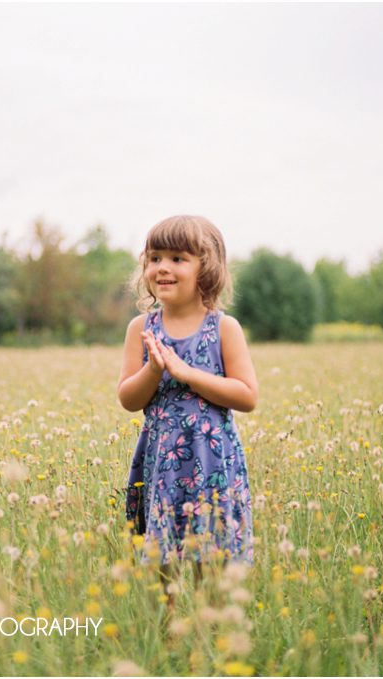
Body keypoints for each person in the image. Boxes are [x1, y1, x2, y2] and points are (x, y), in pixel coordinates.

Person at [117, 215, 258, 607]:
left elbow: (247, 395)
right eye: (155, 258)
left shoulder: (223, 328)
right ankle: (169, 627)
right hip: (162, 463)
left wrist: (188, 373)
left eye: (177, 258)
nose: (162, 267)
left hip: (211, 462)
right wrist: (154, 369)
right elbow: (129, 399)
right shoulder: (141, 328)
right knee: (163, 558)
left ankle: (211, 623)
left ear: (206, 268)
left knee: (212, 554)